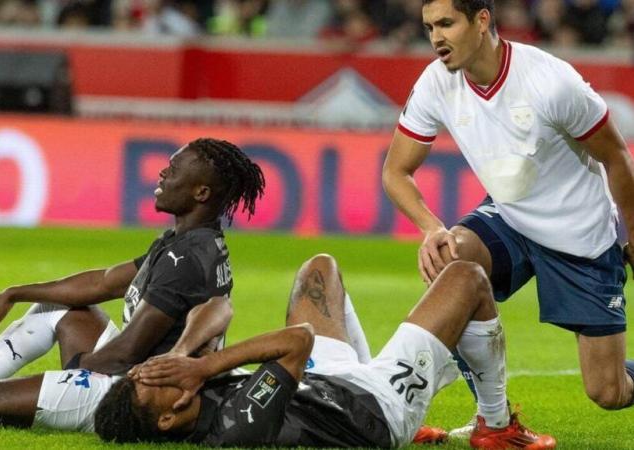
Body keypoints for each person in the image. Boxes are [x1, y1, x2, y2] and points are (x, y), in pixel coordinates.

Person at [381, 0, 634, 432]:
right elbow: (395, 171)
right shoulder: (436, 82)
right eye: (428, 27)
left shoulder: (550, 82)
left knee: (608, 392)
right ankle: (492, 420)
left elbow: (617, 159)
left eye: (446, 23)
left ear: (481, 21)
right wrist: (432, 229)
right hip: (511, 218)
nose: (436, 37)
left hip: (581, 234)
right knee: (451, 256)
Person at [0, 137, 265, 432]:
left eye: (173, 170)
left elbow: (126, 352)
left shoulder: (186, 260)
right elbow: (103, 282)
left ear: (201, 193)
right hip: (133, 372)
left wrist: (71, 375)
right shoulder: (187, 242)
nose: (163, 175)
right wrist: (15, 293)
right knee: (60, 309)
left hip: (136, 396)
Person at [94, 254, 555, 449]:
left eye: (148, 371)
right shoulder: (237, 427)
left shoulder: (185, 397)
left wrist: (185, 356)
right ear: (168, 418)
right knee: (467, 277)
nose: (162, 372)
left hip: (321, 385)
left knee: (318, 269)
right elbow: (298, 341)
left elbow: (221, 310)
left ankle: (380, 363)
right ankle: (496, 427)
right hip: (375, 409)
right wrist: (204, 365)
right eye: (157, 382)